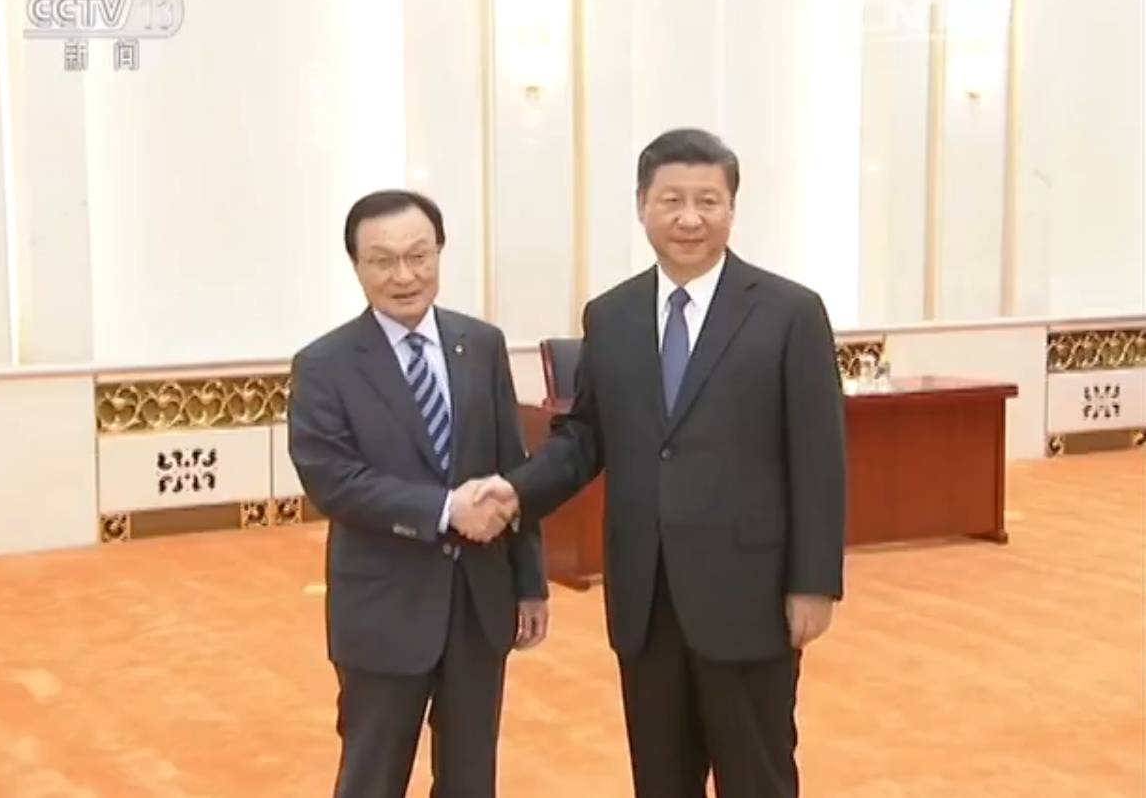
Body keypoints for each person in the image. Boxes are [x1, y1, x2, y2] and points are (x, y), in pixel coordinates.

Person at [475, 128, 846, 797]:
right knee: (660, 780)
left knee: (758, 777)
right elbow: (586, 437)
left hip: (750, 595)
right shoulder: (611, 316)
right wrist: (516, 491)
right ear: (641, 205)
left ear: (732, 208)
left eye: (708, 200)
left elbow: (819, 459)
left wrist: (814, 582)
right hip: (646, 597)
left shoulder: (790, 313)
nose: (690, 218)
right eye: (671, 200)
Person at [287, 189, 549, 798]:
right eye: (382, 260)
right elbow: (332, 480)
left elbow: (512, 468)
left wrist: (529, 582)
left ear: (439, 254)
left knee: (470, 778)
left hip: (478, 603)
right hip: (384, 609)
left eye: (418, 256)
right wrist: (444, 509)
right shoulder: (324, 364)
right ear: (356, 266)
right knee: (373, 778)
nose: (403, 276)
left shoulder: (481, 344)